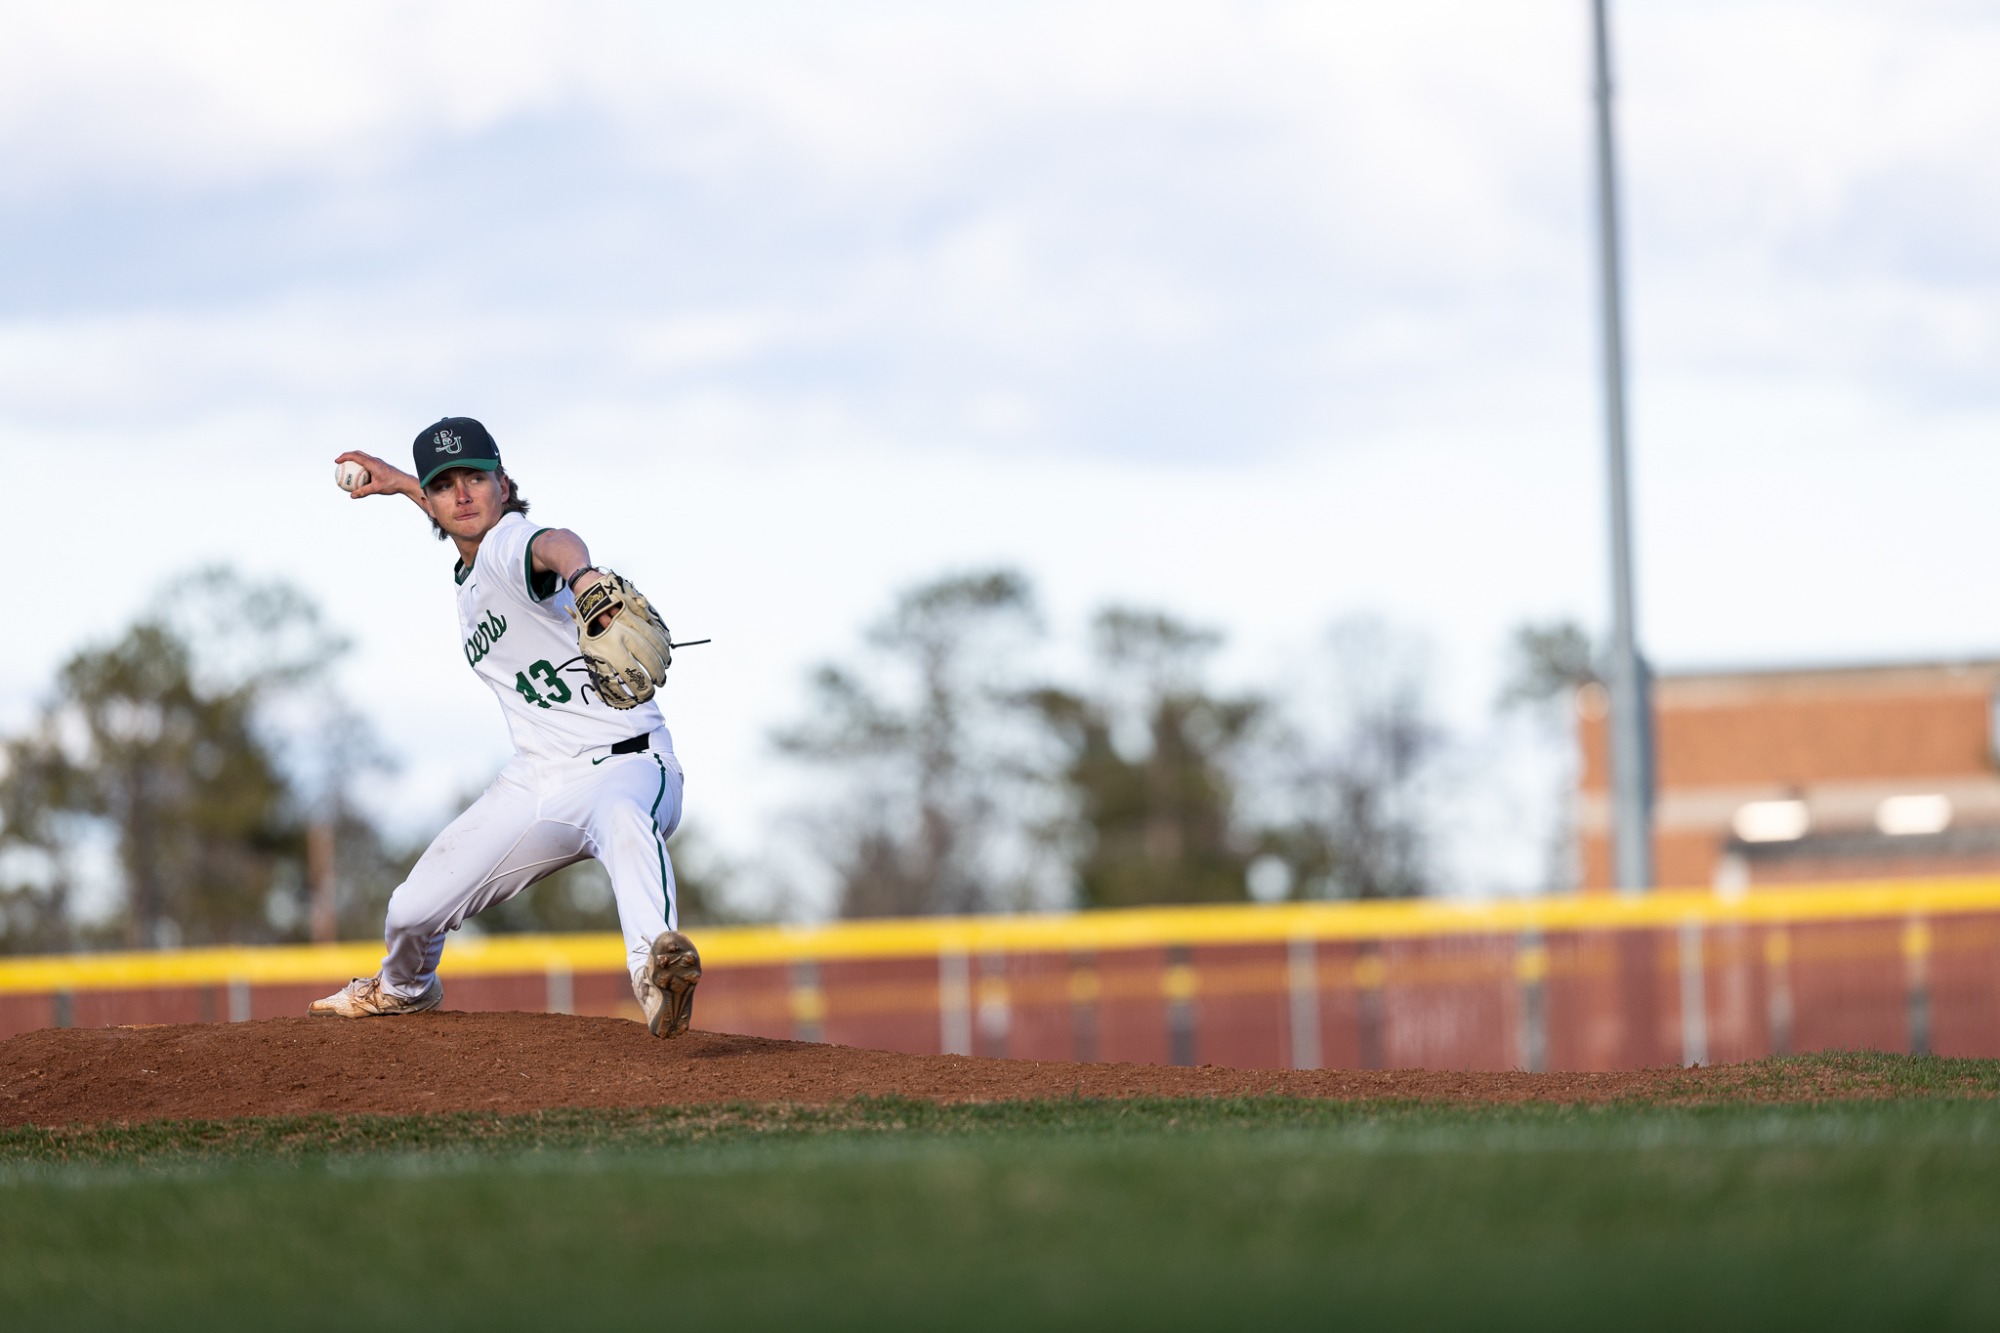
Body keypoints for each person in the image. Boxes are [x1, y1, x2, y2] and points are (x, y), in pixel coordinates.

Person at [310, 417, 701, 1037]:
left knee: (627, 824)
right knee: (411, 911)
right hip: (538, 780)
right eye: (445, 486)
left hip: (624, 766)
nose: (462, 494)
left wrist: (584, 577)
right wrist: (402, 484)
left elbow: (553, 542)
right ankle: (404, 988)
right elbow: (460, 518)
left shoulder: (509, 543)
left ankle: (657, 973)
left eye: (476, 478)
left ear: (505, 483)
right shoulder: (472, 570)